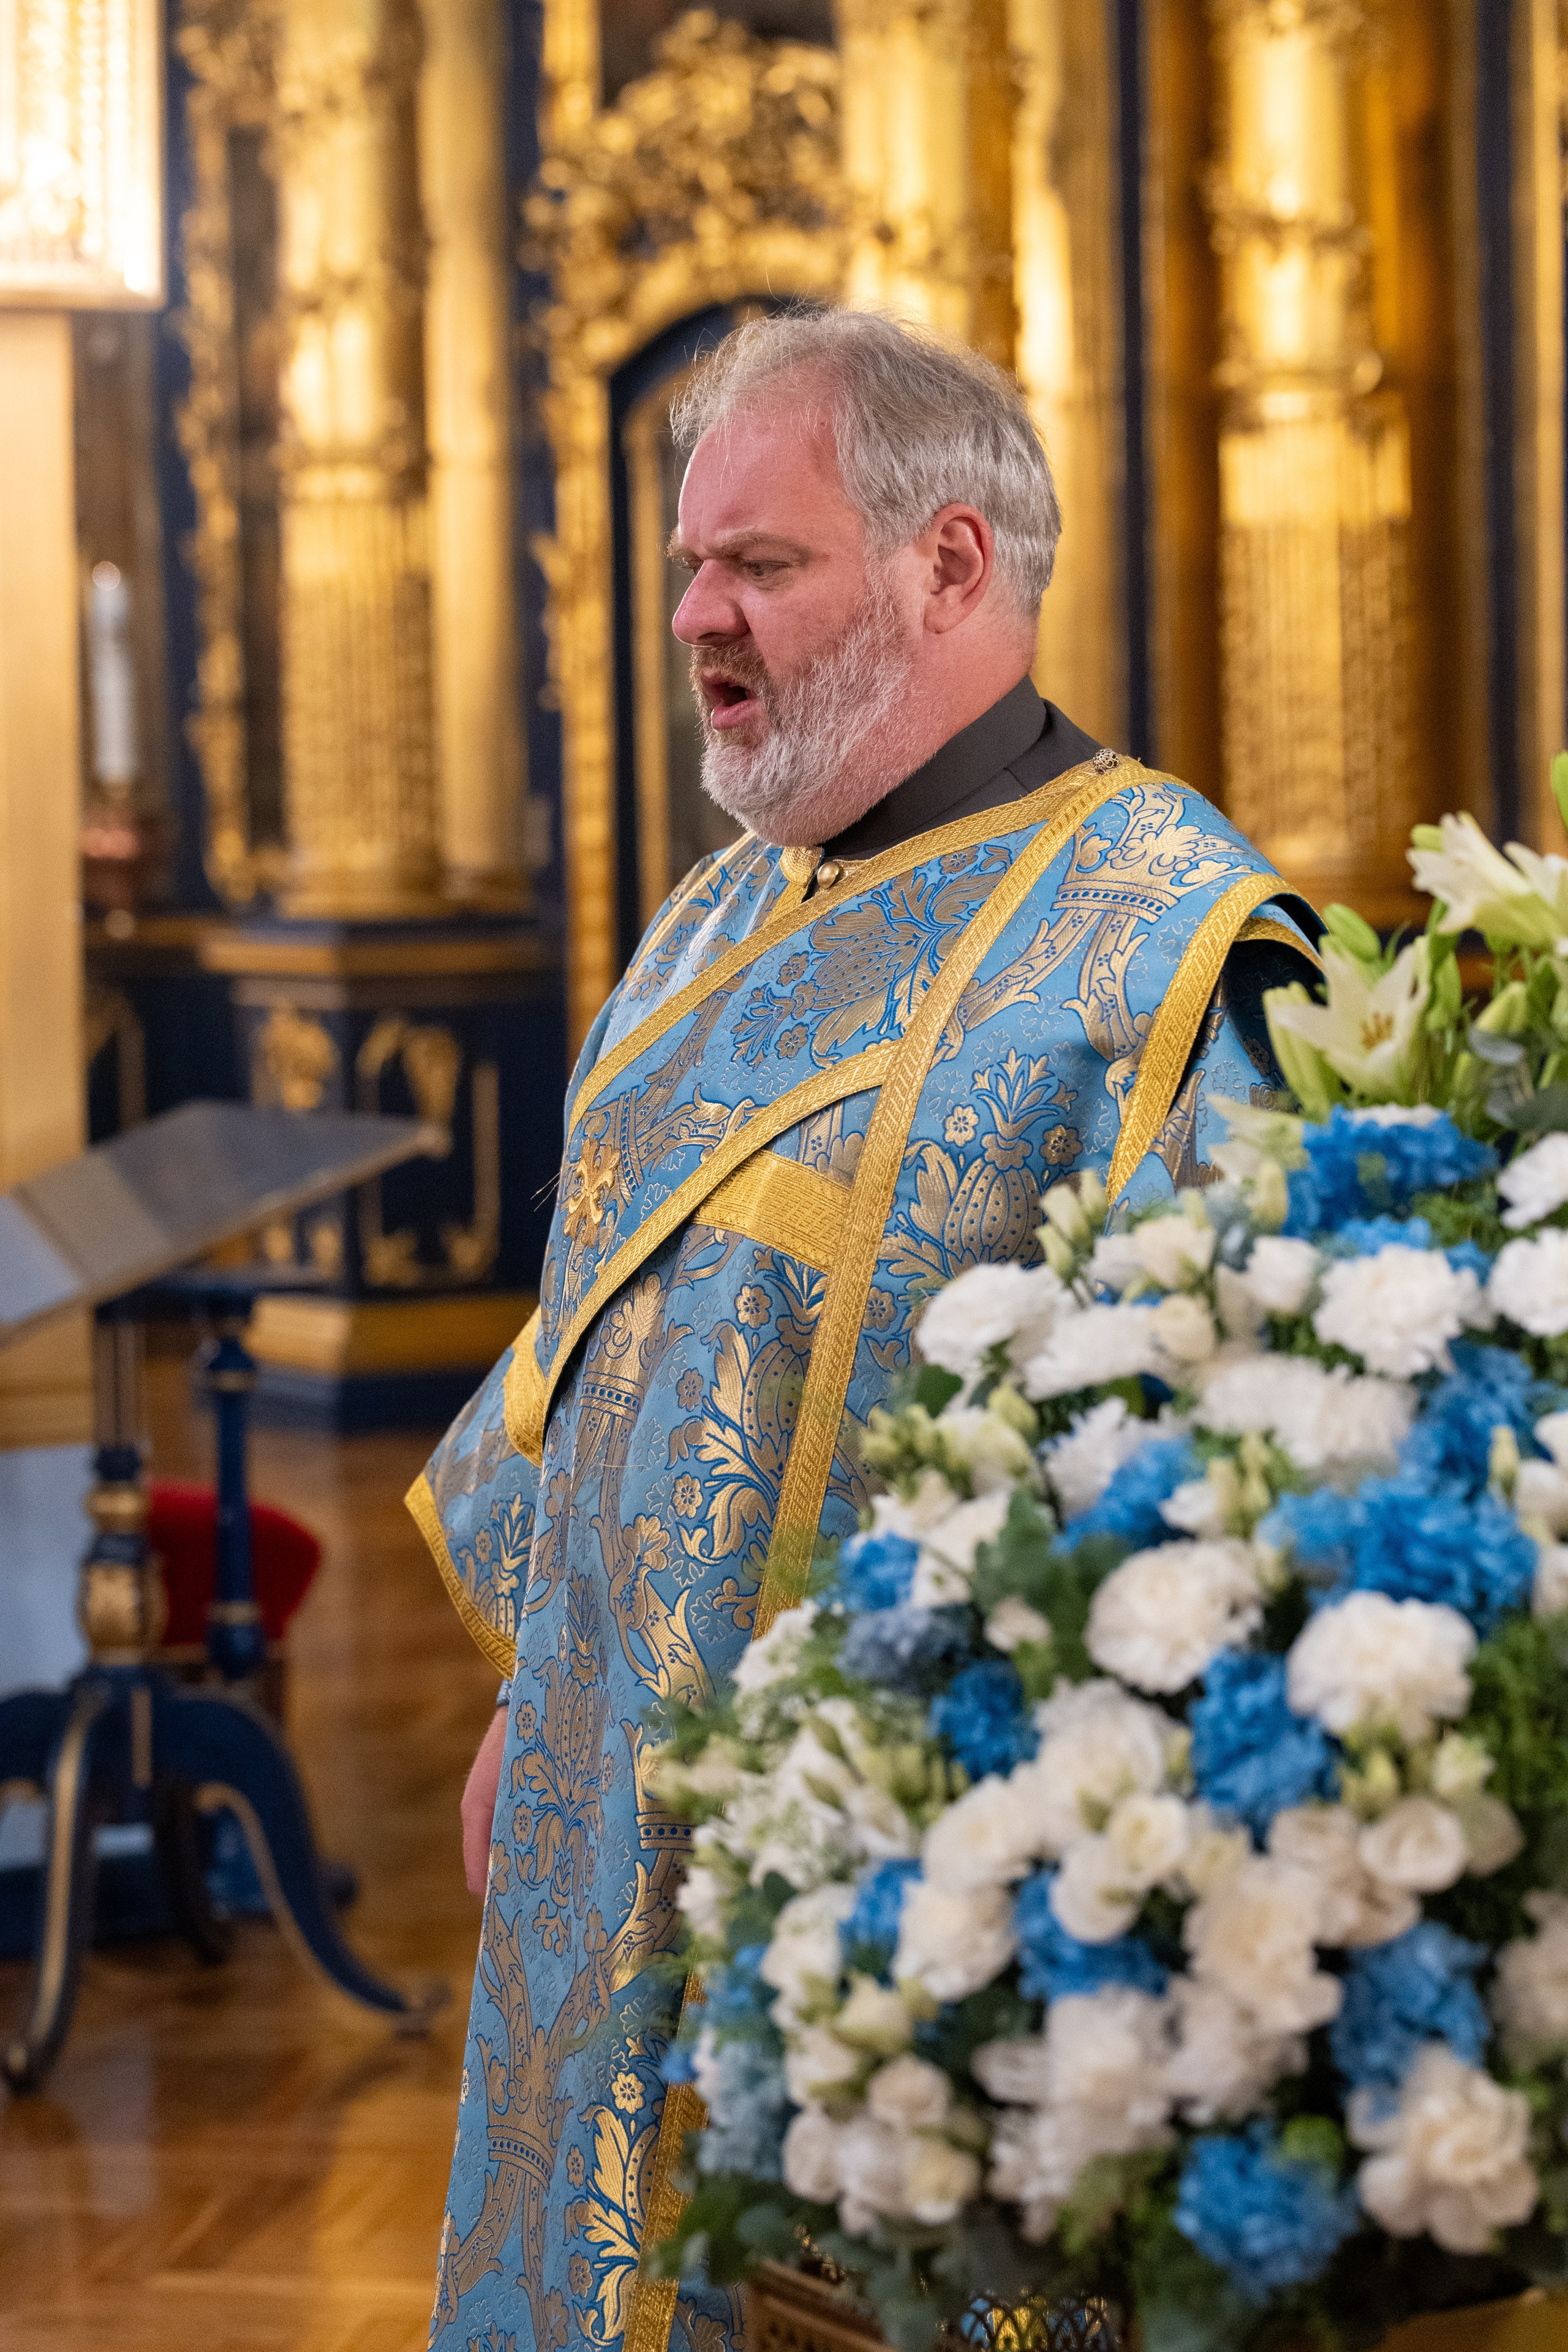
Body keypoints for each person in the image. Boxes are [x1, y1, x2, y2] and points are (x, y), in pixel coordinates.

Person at [409, 307, 1319, 2352]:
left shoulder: (1173, 953)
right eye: (687, 569)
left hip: (918, 1921)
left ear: (953, 567)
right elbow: (611, 1331)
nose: (699, 618)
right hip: (601, 1854)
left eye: (762, 564)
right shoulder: (721, 908)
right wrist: (530, 1698)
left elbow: (1223, 1498)